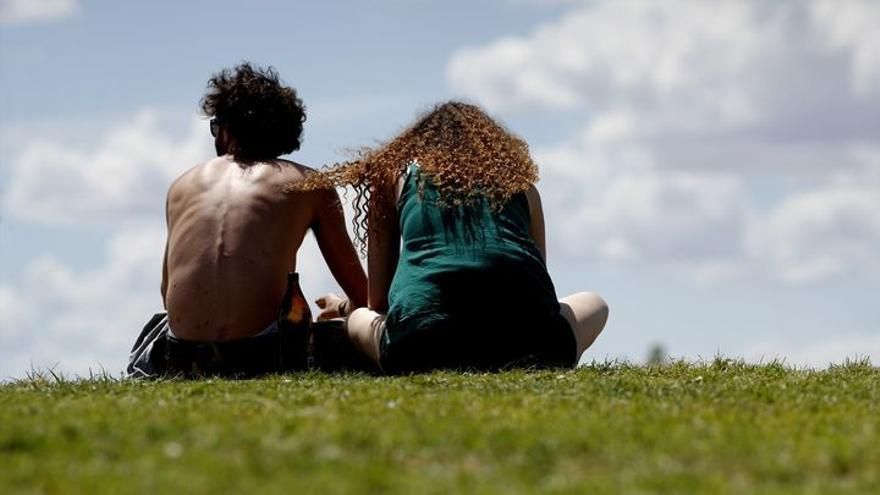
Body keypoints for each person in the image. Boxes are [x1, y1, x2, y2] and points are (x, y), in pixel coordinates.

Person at [303, 101, 608, 373]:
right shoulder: (524, 187)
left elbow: (378, 300)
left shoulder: (394, 177)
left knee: (359, 319)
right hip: (533, 346)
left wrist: (345, 308)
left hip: (420, 348)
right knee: (595, 303)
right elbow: (541, 286)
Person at [128, 63, 367, 378]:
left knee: (156, 326)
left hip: (182, 357)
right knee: (353, 328)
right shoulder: (309, 184)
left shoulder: (181, 186)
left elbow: (167, 295)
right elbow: (362, 294)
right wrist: (344, 309)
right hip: (263, 355)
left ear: (227, 129)